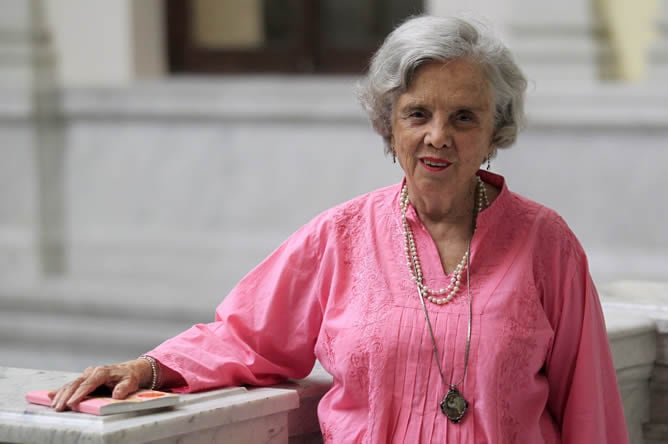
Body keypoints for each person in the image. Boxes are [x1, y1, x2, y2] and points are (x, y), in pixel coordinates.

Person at [49, 15, 629, 443]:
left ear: (494, 131)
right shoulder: (341, 236)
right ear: (389, 124)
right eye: (418, 114)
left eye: (464, 117)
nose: (438, 136)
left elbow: (590, 409)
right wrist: (147, 368)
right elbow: (245, 336)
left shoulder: (545, 242)